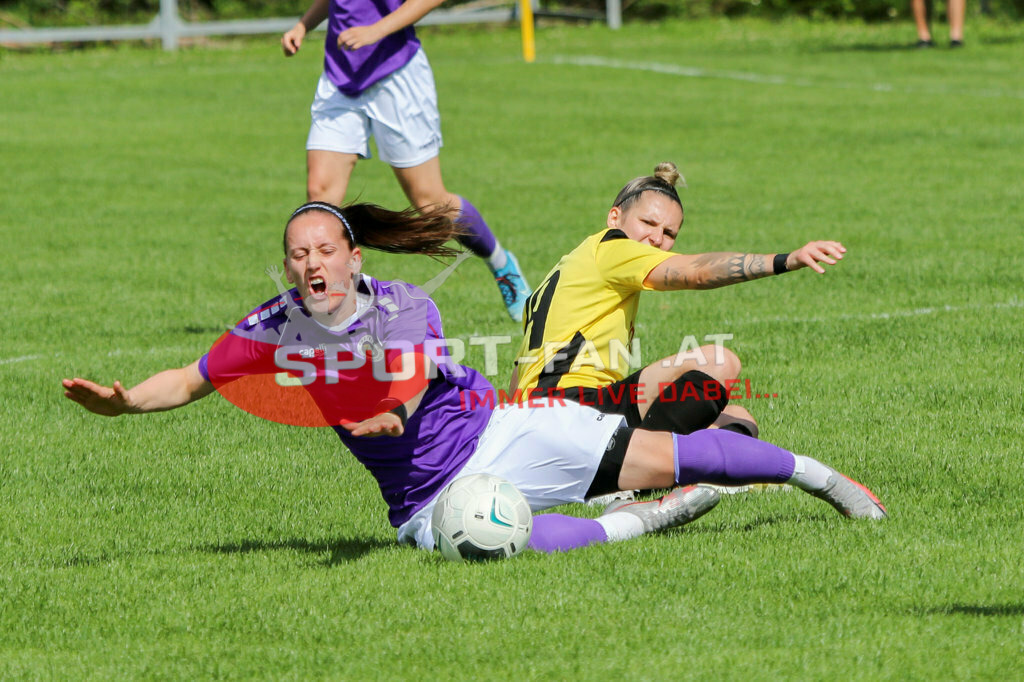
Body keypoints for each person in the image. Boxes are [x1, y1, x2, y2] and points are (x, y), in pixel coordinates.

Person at [62, 203, 887, 557]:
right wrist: (125, 400)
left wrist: (388, 413)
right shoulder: (276, 325)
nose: (310, 263)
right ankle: (648, 525)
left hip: (500, 432)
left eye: (324, 250)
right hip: (421, 499)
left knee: (680, 454)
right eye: (297, 253)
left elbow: (414, 383)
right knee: (500, 547)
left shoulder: (402, 303)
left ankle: (820, 477)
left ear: (354, 258)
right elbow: (193, 376)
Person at [511, 162, 847, 448]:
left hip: (548, 412)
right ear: (615, 217)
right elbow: (698, 273)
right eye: (647, 223)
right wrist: (785, 260)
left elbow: (521, 372)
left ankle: (672, 469)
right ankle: (634, 477)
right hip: (567, 411)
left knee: (738, 419)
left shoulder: (572, 264)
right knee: (718, 361)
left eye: (669, 232)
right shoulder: (613, 249)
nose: (657, 239)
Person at [280, 0, 532, 320]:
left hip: (396, 75)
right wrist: (304, 25)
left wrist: (377, 30)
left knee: (431, 204)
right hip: (340, 77)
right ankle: (328, 311)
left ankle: (501, 263)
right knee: (320, 194)